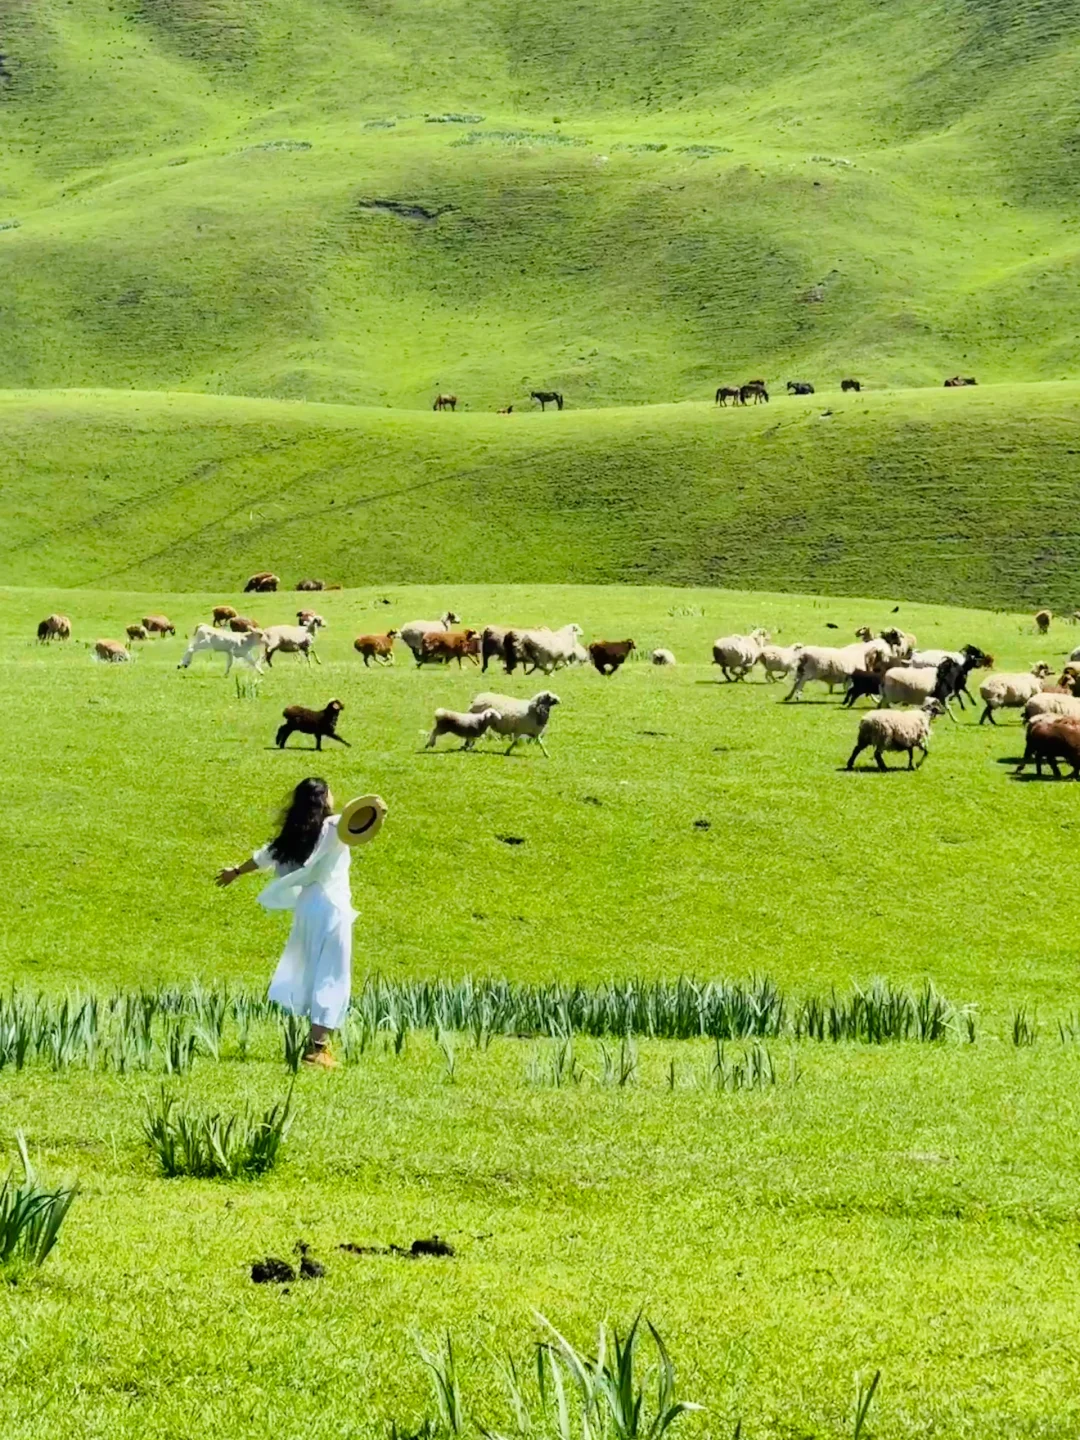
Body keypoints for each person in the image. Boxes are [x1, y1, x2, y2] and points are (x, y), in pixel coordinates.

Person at [216, 777, 356, 1068]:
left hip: (307, 906)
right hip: (332, 905)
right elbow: (363, 819)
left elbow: (265, 855)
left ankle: (317, 1043)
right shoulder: (334, 827)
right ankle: (318, 1049)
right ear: (324, 800)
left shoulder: (295, 833)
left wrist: (235, 872)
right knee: (332, 973)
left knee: (314, 970)